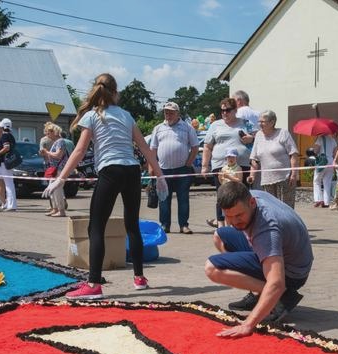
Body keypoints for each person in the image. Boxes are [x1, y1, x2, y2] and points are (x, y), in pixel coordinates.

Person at [41, 72, 164, 299]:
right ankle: (139, 278)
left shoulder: (92, 116)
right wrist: (160, 175)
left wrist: (61, 178)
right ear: (115, 93)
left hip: (111, 170)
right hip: (132, 171)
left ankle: (94, 284)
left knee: (96, 227)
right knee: (132, 225)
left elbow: (78, 151)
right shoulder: (127, 116)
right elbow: (145, 149)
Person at [205, 181, 313, 335]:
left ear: (252, 203)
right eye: (229, 216)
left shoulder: (266, 229)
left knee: (213, 269)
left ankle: (281, 297)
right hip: (290, 255)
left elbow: (277, 282)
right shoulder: (251, 195)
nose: (235, 221)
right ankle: (260, 293)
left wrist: (248, 325)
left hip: (293, 273)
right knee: (220, 236)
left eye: (239, 215)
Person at [201, 97, 254, 227]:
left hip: (242, 165)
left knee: (241, 196)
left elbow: (256, 139)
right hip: (221, 166)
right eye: (222, 110)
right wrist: (204, 166)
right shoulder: (215, 125)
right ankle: (221, 225)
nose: (224, 113)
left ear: (235, 110)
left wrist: (251, 138)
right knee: (223, 196)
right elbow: (207, 146)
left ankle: (242, 224)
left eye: (228, 110)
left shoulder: (245, 123)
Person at [150, 101, 199, 234]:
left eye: (171, 112)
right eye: (166, 112)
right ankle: (165, 225)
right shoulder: (158, 128)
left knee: (183, 199)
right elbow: (153, 149)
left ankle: (184, 225)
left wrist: (188, 163)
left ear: (178, 113)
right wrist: (152, 167)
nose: (168, 115)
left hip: (182, 169)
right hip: (163, 170)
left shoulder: (187, 127)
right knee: (164, 199)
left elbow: (195, 148)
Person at [248, 110, 299, 208]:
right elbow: (254, 159)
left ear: (272, 122)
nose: (260, 124)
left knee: (285, 208)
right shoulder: (258, 135)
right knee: (271, 208)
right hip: (267, 180)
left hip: (285, 178)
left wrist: (293, 174)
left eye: (262, 122)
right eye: (259, 121)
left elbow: (294, 154)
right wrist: (252, 176)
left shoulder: (283, 133)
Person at [39, 122, 69, 217]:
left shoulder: (60, 141)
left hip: (59, 169)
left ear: (54, 132)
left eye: (48, 132)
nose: (47, 134)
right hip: (55, 169)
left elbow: (58, 155)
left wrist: (47, 152)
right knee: (52, 190)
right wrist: (45, 153)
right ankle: (55, 209)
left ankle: (61, 210)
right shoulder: (56, 142)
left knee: (57, 190)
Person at [0, 117, 17, 212]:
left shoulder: (5, 135)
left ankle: (11, 205)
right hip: (6, 163)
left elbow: (6, 147)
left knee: (8, 185)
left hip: (3, 163)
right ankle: (9, 204)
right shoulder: (11, 135)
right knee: (8, 184)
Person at [312, 132, 336, 208]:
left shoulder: (320, 139)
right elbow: (335, 153)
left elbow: (315, 151)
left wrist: (315, 143)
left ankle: (318, 199)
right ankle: (326, 202)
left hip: (322, 161)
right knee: (327, 182)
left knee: (317, 181)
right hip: (330, 161)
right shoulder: (333, 140)